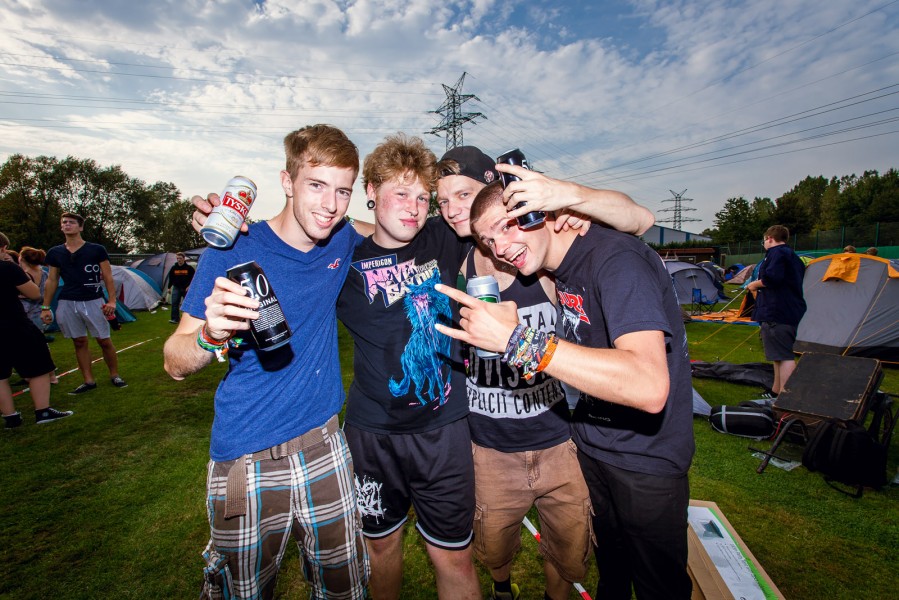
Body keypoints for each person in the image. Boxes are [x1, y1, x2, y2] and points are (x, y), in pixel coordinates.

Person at [435, 172, 695, 600]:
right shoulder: (563, 267)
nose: (500, 247)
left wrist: (519, 341)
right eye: (488, 240)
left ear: (540, 212)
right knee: (612, 575)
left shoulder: (615, 260)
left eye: (505, 226)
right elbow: (637, 216)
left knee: (658, 587)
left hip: (646, 460)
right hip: (593, 447)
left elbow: (648, 385)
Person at [163, 124, 369, 600]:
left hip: (325, 446)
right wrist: (211, 336)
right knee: (244, 591)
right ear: (286, 181)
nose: (330, 204)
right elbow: (174, 360)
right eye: (316, 185)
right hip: (247, 458)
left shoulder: (341, 238)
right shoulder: (234, 248)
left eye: (343, 191)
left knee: (346, 589)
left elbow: (391, 229)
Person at [336, 134, 482, 600]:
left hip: (444, 430)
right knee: (381, 548)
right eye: (401, 193)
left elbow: (491, 205)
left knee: (455, 556)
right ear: (371, 191)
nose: (414, 208)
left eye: (422, 198)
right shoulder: (341, 261)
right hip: (372, 434)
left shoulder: (443, 238)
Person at [41, 213, 127, 394]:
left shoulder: (96, 249)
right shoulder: (55, 252)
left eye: (71, 222)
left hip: (93, 300)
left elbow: (108, 277)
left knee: (104, 340)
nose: (67, 225)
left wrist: (112, 300)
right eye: (64, 222)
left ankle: (115, 375)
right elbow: (52, 280)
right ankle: (88, 381)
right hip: (68, 301)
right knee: (79, 341)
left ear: (80, 227)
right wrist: (46, 307)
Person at [1, 233, 72, 428]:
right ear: (3, 248)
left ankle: (10, 417)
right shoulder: (8, 268)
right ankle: (43, 411)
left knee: (1, 376)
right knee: (39, 367)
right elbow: (33, 293)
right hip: (14, 324)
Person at [746, 225, 806, 396]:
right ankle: (776, 391)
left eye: (764, 240)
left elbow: (772, 278)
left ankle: (785, 397)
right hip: (789, 309)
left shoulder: (776, 253)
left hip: (777, 310)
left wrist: (754, 284)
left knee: (784, 356)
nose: (764, 244)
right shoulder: (794, 257)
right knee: (777, 354)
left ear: (770, 238)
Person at [19, 247, 58, 381]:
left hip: (29, 312)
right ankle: (51, 374)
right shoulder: (45, 273)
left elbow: (28, 294)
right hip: (43, 310)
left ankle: (36, 374)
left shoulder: (24, 274)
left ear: (22, 258)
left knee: (29, 345)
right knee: (41, 343)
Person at [166, 252, 195, 324]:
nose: (179, 260)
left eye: (180, 258)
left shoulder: (189, 268)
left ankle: (188, 319)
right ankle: (175, 319)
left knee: (187, 304)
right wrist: (169, 287)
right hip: (176, 288)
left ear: (184, 259)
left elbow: (194, 279)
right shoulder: (174, 268)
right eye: (177, 258)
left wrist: (189, 286)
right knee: (174, 303)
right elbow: (171, 278)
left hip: (186, 288)